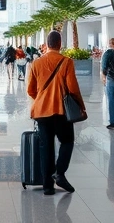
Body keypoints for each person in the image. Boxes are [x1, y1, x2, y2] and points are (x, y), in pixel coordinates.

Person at [27, 31, 86, 196]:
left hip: (41, 112)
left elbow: (30, 90)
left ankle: (48, 187)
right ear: (60, 44)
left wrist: (41, 99)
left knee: (46, 147)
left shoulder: (36, 63)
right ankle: (59, 173)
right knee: (67, 142)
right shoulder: (66, 62)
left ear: (46, 44)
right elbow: (73, 88)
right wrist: (81, 106)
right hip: (61, 112)